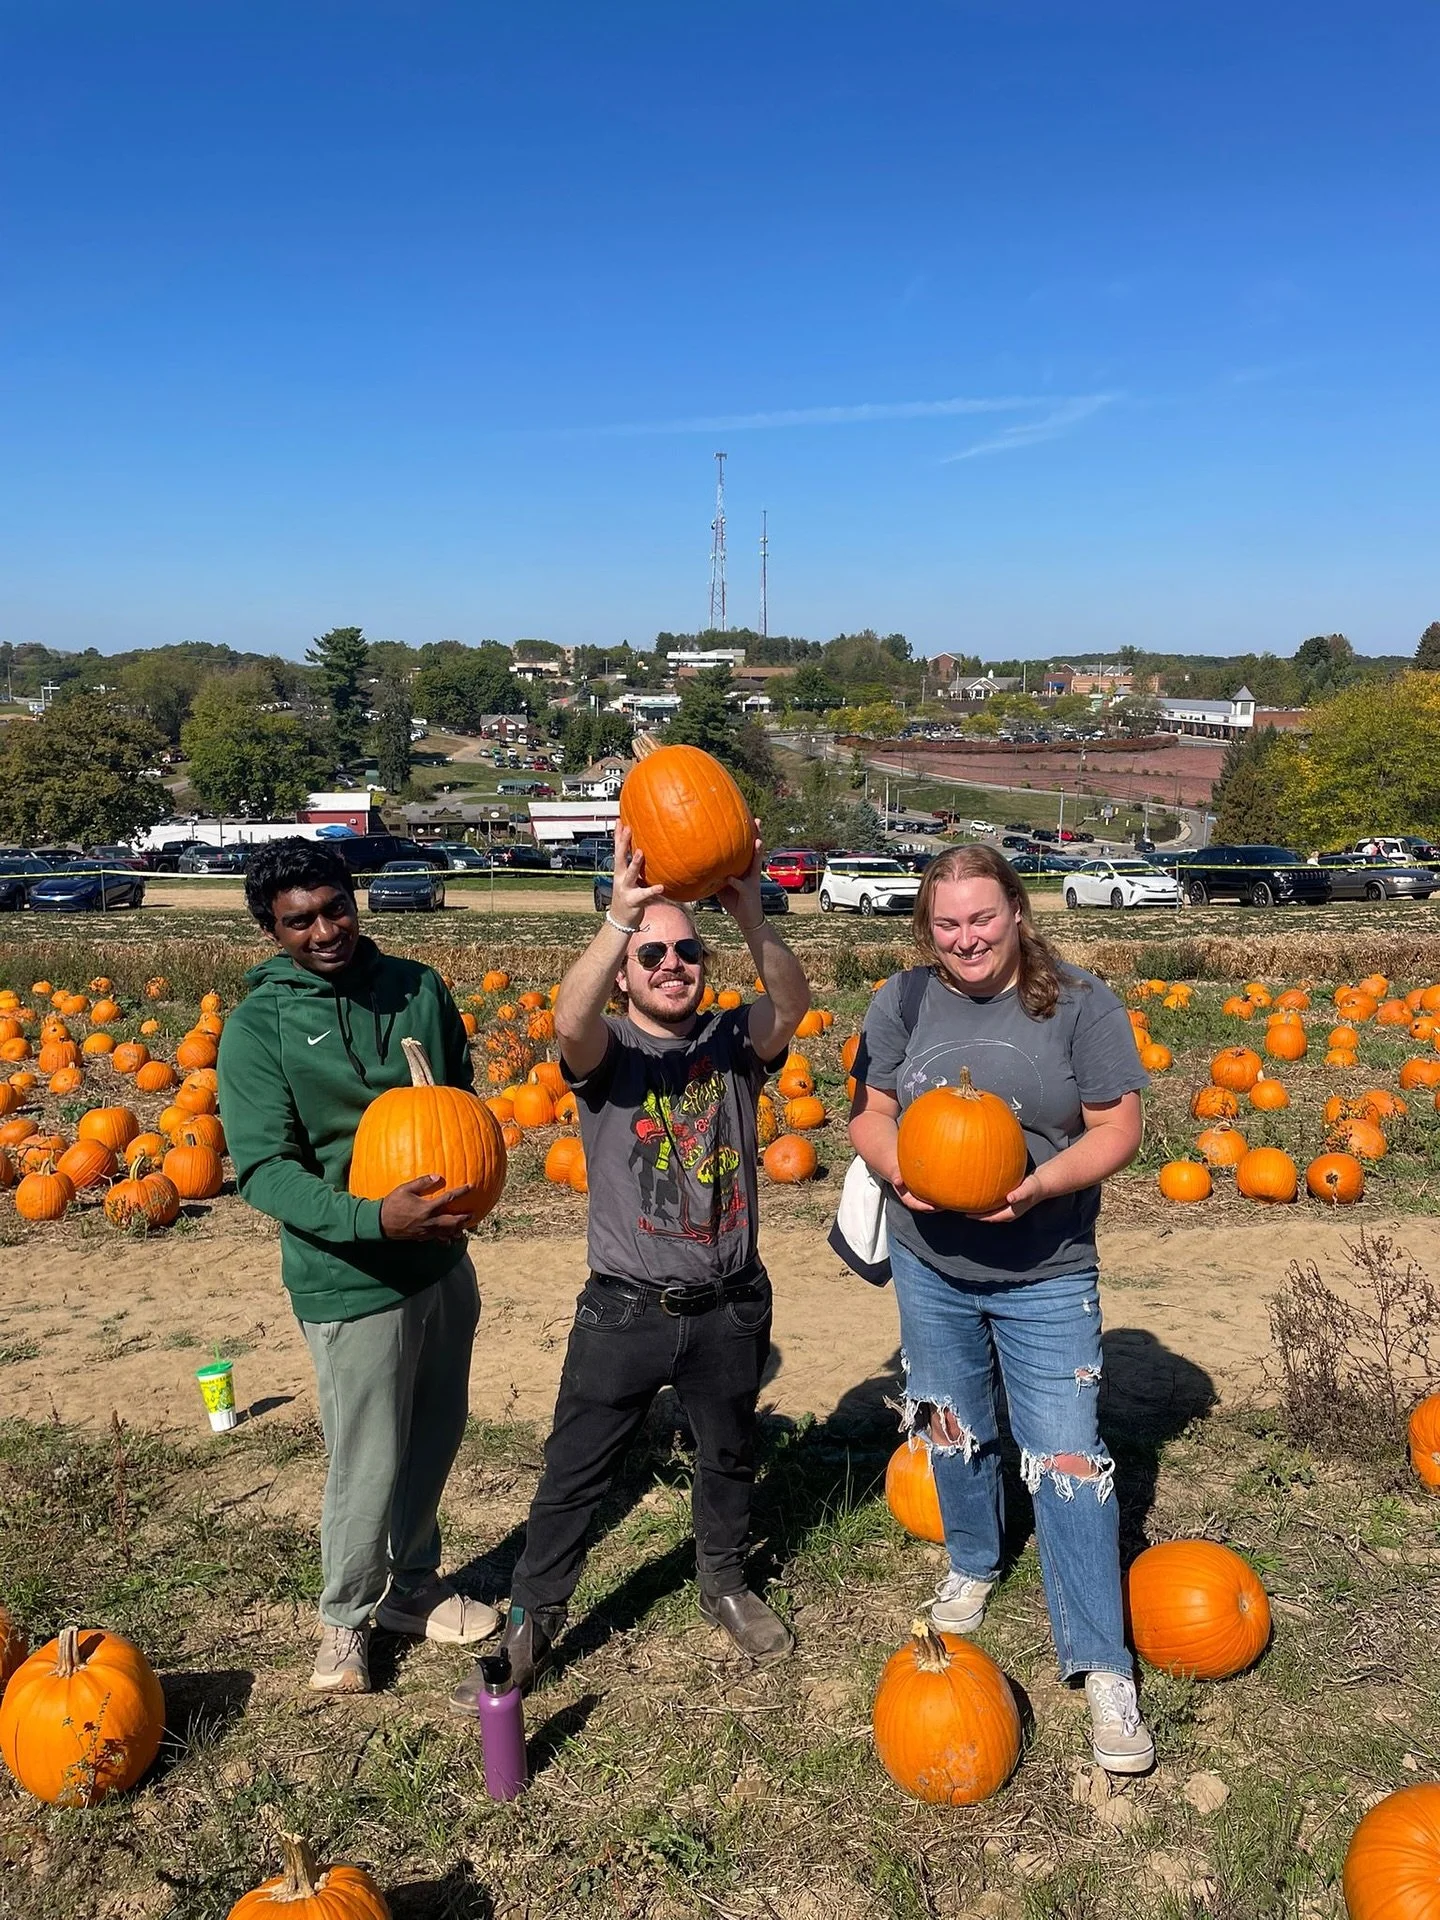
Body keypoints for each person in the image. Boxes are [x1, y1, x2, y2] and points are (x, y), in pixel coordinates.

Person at [450, 821, 811, 1707]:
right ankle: (533, 1621)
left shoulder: (733, 1042)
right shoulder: (607, 1053)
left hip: (731, 1302)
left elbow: (792, 1002)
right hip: (626, 1310)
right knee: (574, 1473)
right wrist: (620, 917)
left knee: (729, 1456)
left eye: (686, 951)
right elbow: (567, 1022)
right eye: (652, 955)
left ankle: (724, 1581)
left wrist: (751, 917)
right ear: (624, 971)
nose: (671, 965)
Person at [847, 844, 1153, 1774]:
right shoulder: (902, 1001)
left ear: (1017, 912)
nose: (966, 937)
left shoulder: (1081, 1004)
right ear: (926, 927)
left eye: (982, 918)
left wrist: (1041, 1184)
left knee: (1068, 1457)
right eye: (947, 923)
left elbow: (1120, 1127)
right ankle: (975, 1561)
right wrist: (900, 1168)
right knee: (950, 1426)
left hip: (1047, 1268)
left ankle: (1102, 1662)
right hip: (930, 1263)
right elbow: (869, 1112)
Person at [218, 839, 499, 1694]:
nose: (325, 930)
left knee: (434, 1434)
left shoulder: (418, 989)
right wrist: (374, 1218)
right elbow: (264, 1171)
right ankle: (343, 1619)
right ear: (272, 931)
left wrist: (462, 1193)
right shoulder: (258, 1027)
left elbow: (454, 1099)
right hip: (348, 1275)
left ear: (354, 899)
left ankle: (413, 1588)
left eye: (335, 908)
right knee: (366, 1456)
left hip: (440, 1262)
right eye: (299, 921)